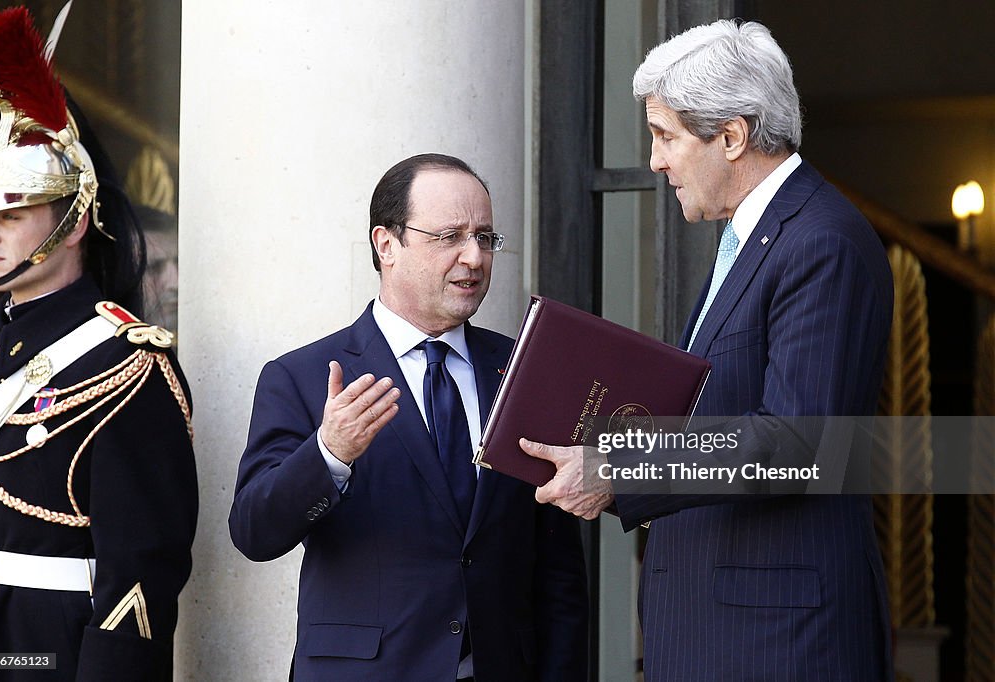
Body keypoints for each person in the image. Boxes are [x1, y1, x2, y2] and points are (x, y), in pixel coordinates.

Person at [520, 19, 894, 682]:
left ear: (732, 135)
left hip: (779, 645)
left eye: (666, 136)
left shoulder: (820, 242)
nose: (656, 159)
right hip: (727, 635)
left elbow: (796, 442)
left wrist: (620, 464)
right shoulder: (755, 239)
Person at [229, 153, 588, 681]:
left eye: (485, 238)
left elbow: (558, 573)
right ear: (386, 244)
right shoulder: (302, 376)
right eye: (449, 237)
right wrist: (329, 454)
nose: (474, 257)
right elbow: (254, 532)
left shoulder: (523, 369)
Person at [0, 7, 197, 681]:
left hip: (45, 654)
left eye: (11, 214)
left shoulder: (128, 363)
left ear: (72, 223)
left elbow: (140, 576)